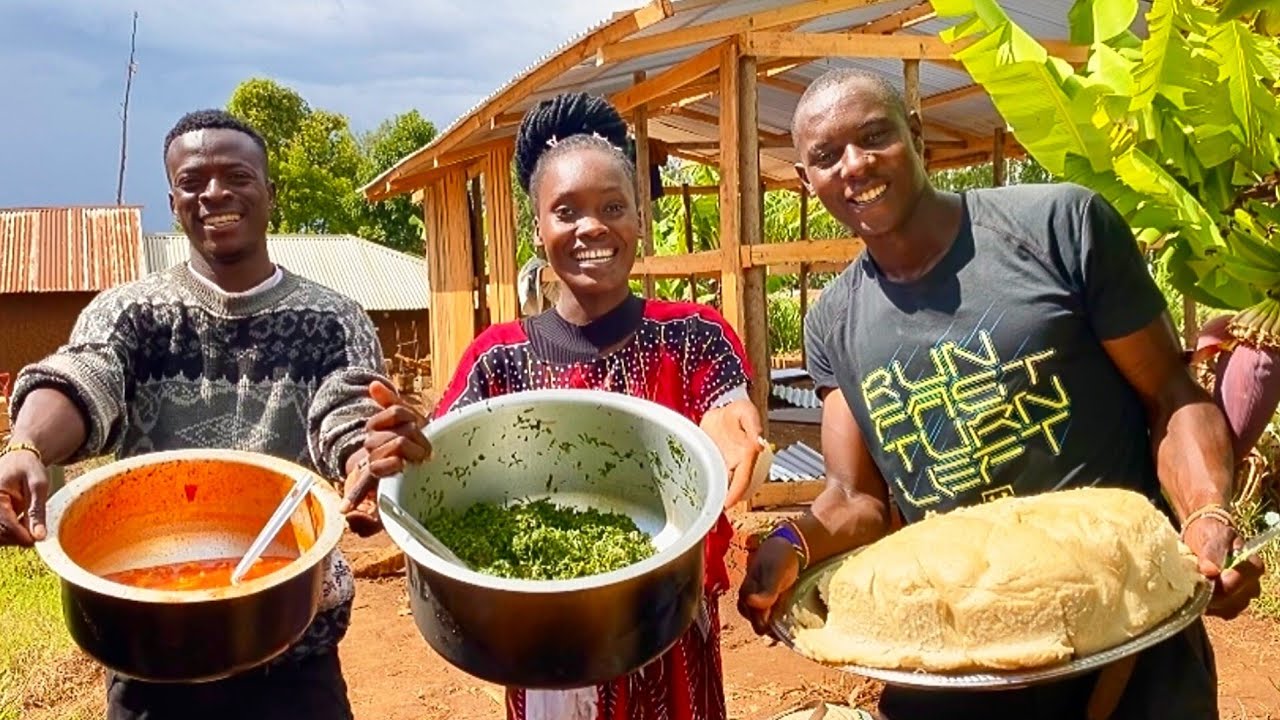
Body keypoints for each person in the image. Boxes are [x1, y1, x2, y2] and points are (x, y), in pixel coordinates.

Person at [737, 69, 1264, 719]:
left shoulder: (1057, 228)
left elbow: (1171, 396)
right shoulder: (834, 322)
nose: (855, 165)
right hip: (959, 661)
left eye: (874, 137)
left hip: (1125, 644)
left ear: (916, 136)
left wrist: (1207, 516)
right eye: (827, 155)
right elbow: (855, 498)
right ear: (805, 179)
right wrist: (789, 544)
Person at [0, 109, 429, 719]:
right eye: (193, 181)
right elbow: (84, 377)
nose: (215, 193)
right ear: (173, 202)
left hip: (293, 652)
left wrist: (369, 451)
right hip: (150, 653)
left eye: (237, 176)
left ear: (270, 193)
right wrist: (26, 445)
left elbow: (349, 408)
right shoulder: (130, 314)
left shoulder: (333, 319)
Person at [429, 91, 765, 720]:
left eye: (613, 207)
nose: (591, 228)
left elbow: (726, 407)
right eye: (566, 211)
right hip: (546, 642)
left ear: (640, 218)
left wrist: (729, 425)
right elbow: (438, 460)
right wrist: (398, 452)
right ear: (539, 230)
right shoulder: (498, 360)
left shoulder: (692, 335)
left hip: (669, 629)